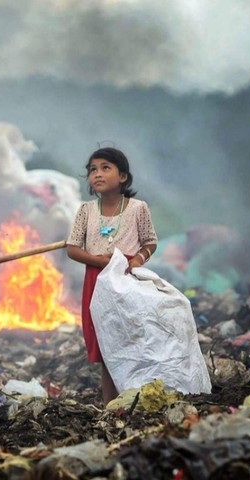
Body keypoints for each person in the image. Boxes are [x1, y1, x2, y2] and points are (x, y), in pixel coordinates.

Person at [66, 147, 158, 404]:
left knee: (131, 337)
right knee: (107, 344)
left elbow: (150, 242)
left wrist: (138, 259)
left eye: (105, 168)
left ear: (123, 177)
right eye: (92, 170)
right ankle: (111, 404)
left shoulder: (138, 208)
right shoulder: (86, 210)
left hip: (127, 280)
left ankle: (136, 398)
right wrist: (97, 261)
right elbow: (72, 248)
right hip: (97, 282)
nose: (97, 174)